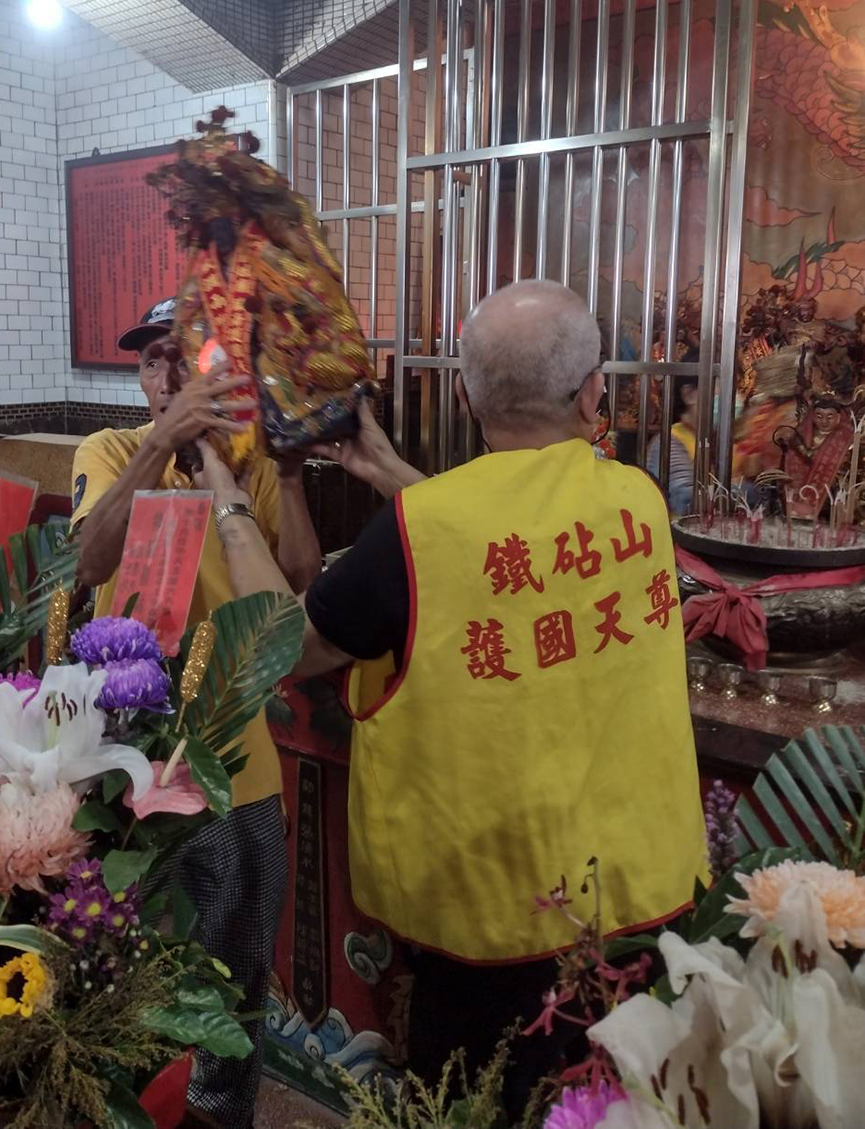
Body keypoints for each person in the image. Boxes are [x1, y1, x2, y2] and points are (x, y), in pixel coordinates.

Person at [194, 280, 706, 1116]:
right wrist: (390, 472)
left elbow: (285, 643)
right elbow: (509, 538)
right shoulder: (640, 502)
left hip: (488, 926)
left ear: (465, 397)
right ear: (593, 395)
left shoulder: (416, 530)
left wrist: (225, 495)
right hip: (633, 904)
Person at [71, 297, 322, 1129]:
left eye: (183, 356)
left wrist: (283, 472)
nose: (167, 373)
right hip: (132, 772)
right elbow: (89, 559)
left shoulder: (246, 470)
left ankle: (224, 1116)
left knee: (237, 981)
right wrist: (162, 442)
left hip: (239, 763)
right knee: (132, 974)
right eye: (152, 360)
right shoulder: (111, 450)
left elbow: (299, 581)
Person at [646, 354, 699, 517]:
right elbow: (685, 502)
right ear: (689, 395)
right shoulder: (669, 443)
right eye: (720, 387)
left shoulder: (706, 439)